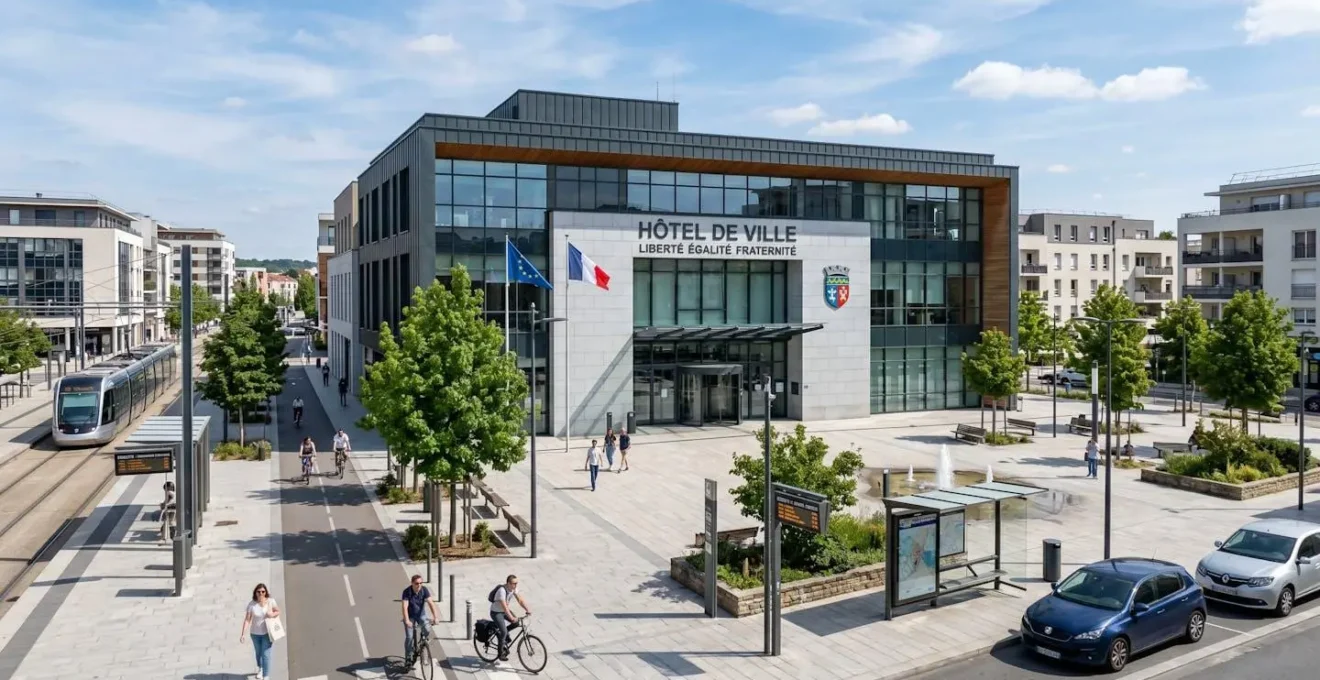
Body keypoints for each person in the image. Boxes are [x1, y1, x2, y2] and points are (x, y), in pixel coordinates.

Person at [239, 583, 280, 680]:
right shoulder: (252, 604)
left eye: (263, 591)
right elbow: (247, 620)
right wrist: (242, 634)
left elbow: (278, 611)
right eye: (259, 592)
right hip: (255, 634)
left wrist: (272, 615)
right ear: (255, 593)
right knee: (258, 653)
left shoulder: (271, 601)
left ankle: (266, 675)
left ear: (266, 592)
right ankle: (260, 668)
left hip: (267, 633)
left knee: (266, 654)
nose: (261, 593)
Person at [489, 574, 531, 662]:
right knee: (504, 631)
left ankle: (502, 635)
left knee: (516, 623)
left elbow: (520, 600)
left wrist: (527, 609)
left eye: (516, 583)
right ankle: (500, 653)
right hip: (496, 613)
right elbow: (504, 607)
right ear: (508, 583)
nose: (515, 585)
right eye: (513, 583)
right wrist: (511, 617)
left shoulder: (513, 589)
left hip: (504, 611)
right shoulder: (502, 591)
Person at [401, 574, 440, 664]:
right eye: (416, 583)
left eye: (420, 583)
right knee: (409, 637)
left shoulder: (424, 590)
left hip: (420, 614)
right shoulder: (406, 592)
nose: (419, 585)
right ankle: (408, 657)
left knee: (426, 629)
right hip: (410, 616)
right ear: (412, 583)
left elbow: (431, 603)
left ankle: (422, 643)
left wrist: (435, 617)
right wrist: (406, 620)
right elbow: (404, 607)